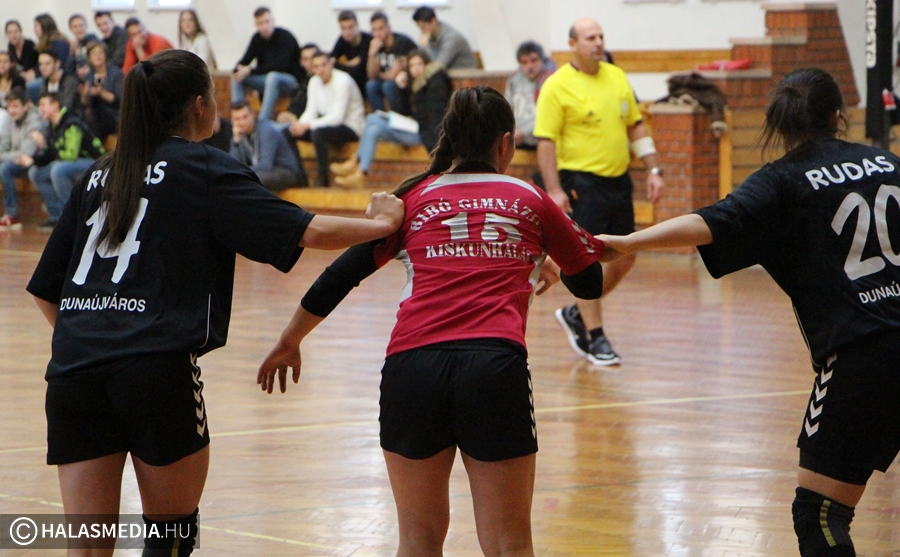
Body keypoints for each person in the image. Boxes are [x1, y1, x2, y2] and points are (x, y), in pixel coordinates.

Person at [25, 49, 403, 557]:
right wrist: (381, 225)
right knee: (171, 534)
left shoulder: (97, 174)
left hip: (74, 372)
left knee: (88, 546)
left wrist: (95, 339)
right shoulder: (202, 167)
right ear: (200, 105)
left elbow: (45, 288)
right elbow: (307, 231)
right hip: (156, 370)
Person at [259, 85, 605, 557]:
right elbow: (590, 283)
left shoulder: (413, 198)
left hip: (412, 370)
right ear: (505, 143)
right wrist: (536, 253)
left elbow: (339, 276)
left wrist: (289, 340)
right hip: (493, 368)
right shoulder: (531, 198)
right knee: (509, 544)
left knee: (417, 541)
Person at [597, 67, 900, 557]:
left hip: (862, 355)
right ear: (837, 115)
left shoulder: (782, 182)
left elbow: (710, 222)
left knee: (820, 515)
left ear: (779, 124)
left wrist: (630, 242)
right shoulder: (888, 163)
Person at [534, 17, 664, 366]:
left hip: (618, 181)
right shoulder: (556, 85)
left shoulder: (617, 76)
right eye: (590, 37)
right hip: (581, 184)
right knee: (586, 261)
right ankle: (596, 337)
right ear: (573, 44)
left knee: (625, 253)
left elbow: (636, 127)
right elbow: (545, 141)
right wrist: (554, 189)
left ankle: (577, 313)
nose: (598, 42)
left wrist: (653, 169)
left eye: (601, 36)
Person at [331, 49, 451, 188]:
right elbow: (404, 109)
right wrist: (401, 88)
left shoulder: (435, 82)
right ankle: (360, 172)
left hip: (425, 134)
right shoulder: (415, 82)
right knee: (373, 127)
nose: (416, 69)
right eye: (412, 65)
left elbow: (436, 115)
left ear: (426, 64)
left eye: (419, 64)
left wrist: (434, 145)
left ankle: (357, 160)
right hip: (414, 126)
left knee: (373, 119)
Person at [23, 91, 105, 229]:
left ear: (55, 105)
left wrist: (50, 152)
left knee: (58, 170)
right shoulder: (52, 125)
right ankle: (56, 216)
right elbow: (50, 152)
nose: (40, 108)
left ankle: (72, 217)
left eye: (43, 104)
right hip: (71, 163)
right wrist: (34, 160)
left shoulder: (72, 121)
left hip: (93, 162)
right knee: (36, 172)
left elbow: (70, 154)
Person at [292, 50, 364, 187]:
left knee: (318, 134)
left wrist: (308, 125)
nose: (320, 70)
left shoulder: (343, 81)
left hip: (350, 126)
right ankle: (300, 176)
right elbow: (311, 110)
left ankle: (323, 179)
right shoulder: (314, 81)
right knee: (289, 132)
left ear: (331, 64)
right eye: (316, 67)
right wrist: (299, 125)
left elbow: (337, 117)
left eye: (323, 65)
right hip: (327, 124)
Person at [231, 6, 301, 122]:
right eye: (260, 23)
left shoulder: (285, 37)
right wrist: (238, 70)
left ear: (273, 21)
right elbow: (245, 60)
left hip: (290, 80)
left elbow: (280, 66)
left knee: (272, 76)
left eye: (267, 22)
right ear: (256, 25)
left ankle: (262, 122)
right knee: (237, 78)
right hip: (267, 80)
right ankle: (239, 117)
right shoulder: (256, 39)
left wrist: (250, 70)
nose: (264, 26)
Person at [230, 99, 304, 191]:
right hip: (266, 172)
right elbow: (234, 166)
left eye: (245, 117)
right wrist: (236, 142)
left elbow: (265, 165)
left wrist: (240, 173)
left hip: (285, 171)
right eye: (237, 119)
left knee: (252, 180)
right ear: (232, 121)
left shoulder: (266, 130)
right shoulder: (239, 135)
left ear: (252, 115)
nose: (242, 122)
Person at [0, 87, 40, 231]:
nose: (11, 110)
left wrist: (4, 156)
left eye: (15, 106)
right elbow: (4, 146)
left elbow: (27, 152)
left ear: (26, 106)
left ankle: (12, 215)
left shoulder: (35, 121)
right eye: (9, 106)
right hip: (15, 160)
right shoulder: (10, 119)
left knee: (5, 169)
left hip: (35, 162)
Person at [504, 41, 556, 150]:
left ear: (542, 60)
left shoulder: (552, 79)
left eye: (534, 60)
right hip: (516, 137)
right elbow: (506, 109)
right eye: (524, 62)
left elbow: (549, 115)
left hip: (543, 139)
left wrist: (523, 132)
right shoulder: (514, 79)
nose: (530, 66)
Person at [365, 11, 417, 116]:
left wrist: (379, 74)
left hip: (407, 81)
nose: (377, 33)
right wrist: (371, 55)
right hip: (388, 80)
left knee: (388, 86)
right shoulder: (375, 45)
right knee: (371, 85)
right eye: (374, 30)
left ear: (389, 28)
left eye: (381, 28)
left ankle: (398, 119)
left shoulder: (401, 42)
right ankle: (380, 118)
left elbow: (394, 74)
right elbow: (371, 75)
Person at [79, 42, 123, 141]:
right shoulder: (89, 76)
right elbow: (85, 103)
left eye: (100, 53)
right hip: (94, 114)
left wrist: (101, 93)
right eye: (94, 54)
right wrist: (85, 94)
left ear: (105, 55)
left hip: (113, 112)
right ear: (89, 58)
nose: (97, 56)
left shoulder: (115, 74)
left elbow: (119, 99)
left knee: (96, 113)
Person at [411, 6, 477, 70]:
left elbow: (438, 65)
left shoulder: (451, 38)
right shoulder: (431, 35)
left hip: (464, 74)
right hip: (447, 74)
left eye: (423, 27)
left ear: (433, 21)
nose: (422, 31)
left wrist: (426, 47)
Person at [275, 42, 318, 128]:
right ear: (301, 62)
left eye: (312, 58)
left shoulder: (322, 81)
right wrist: (288, 114)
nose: (310, 62)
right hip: (295, 119)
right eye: (305, 59)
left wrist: (295, 121)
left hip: (309, 123)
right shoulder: (303, 80)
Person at [330, 10, 371, 99]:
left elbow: (360, 69)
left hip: (365, 80)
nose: (347, 32)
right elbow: (330, 61)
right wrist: (348, 64)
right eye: (343, 28)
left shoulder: (367, 40)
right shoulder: (342, 40)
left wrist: (339, 65)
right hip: (351, 79)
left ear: (357, 25)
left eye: (350, 27)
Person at [30, 14, 70, 102]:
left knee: (29, 88)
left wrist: (36, 74)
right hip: (45, 75)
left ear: (44, 26)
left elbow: (60, 66)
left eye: (36, 26)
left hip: (58, 77)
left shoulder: (58, 43)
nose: (34, 30)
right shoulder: (43, 44)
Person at [5, 20, 39, 86]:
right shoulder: (10, 47)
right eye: (10, 32)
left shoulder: (30, 45)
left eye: (16, 31)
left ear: (21, 31)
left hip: (34, 77)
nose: (13, 35)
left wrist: (34, 72)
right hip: (21, 78)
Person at [66, 14, 100, 80]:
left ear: (86, 26)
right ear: (70, 29)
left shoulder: (93, 40)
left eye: (81, 25)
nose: (79, 29)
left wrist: (78, 55)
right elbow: (69, 69)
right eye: (75, 27)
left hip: (94, 75)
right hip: (78, 79)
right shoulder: (73, 44)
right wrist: (72, 53)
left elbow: (96, 63)